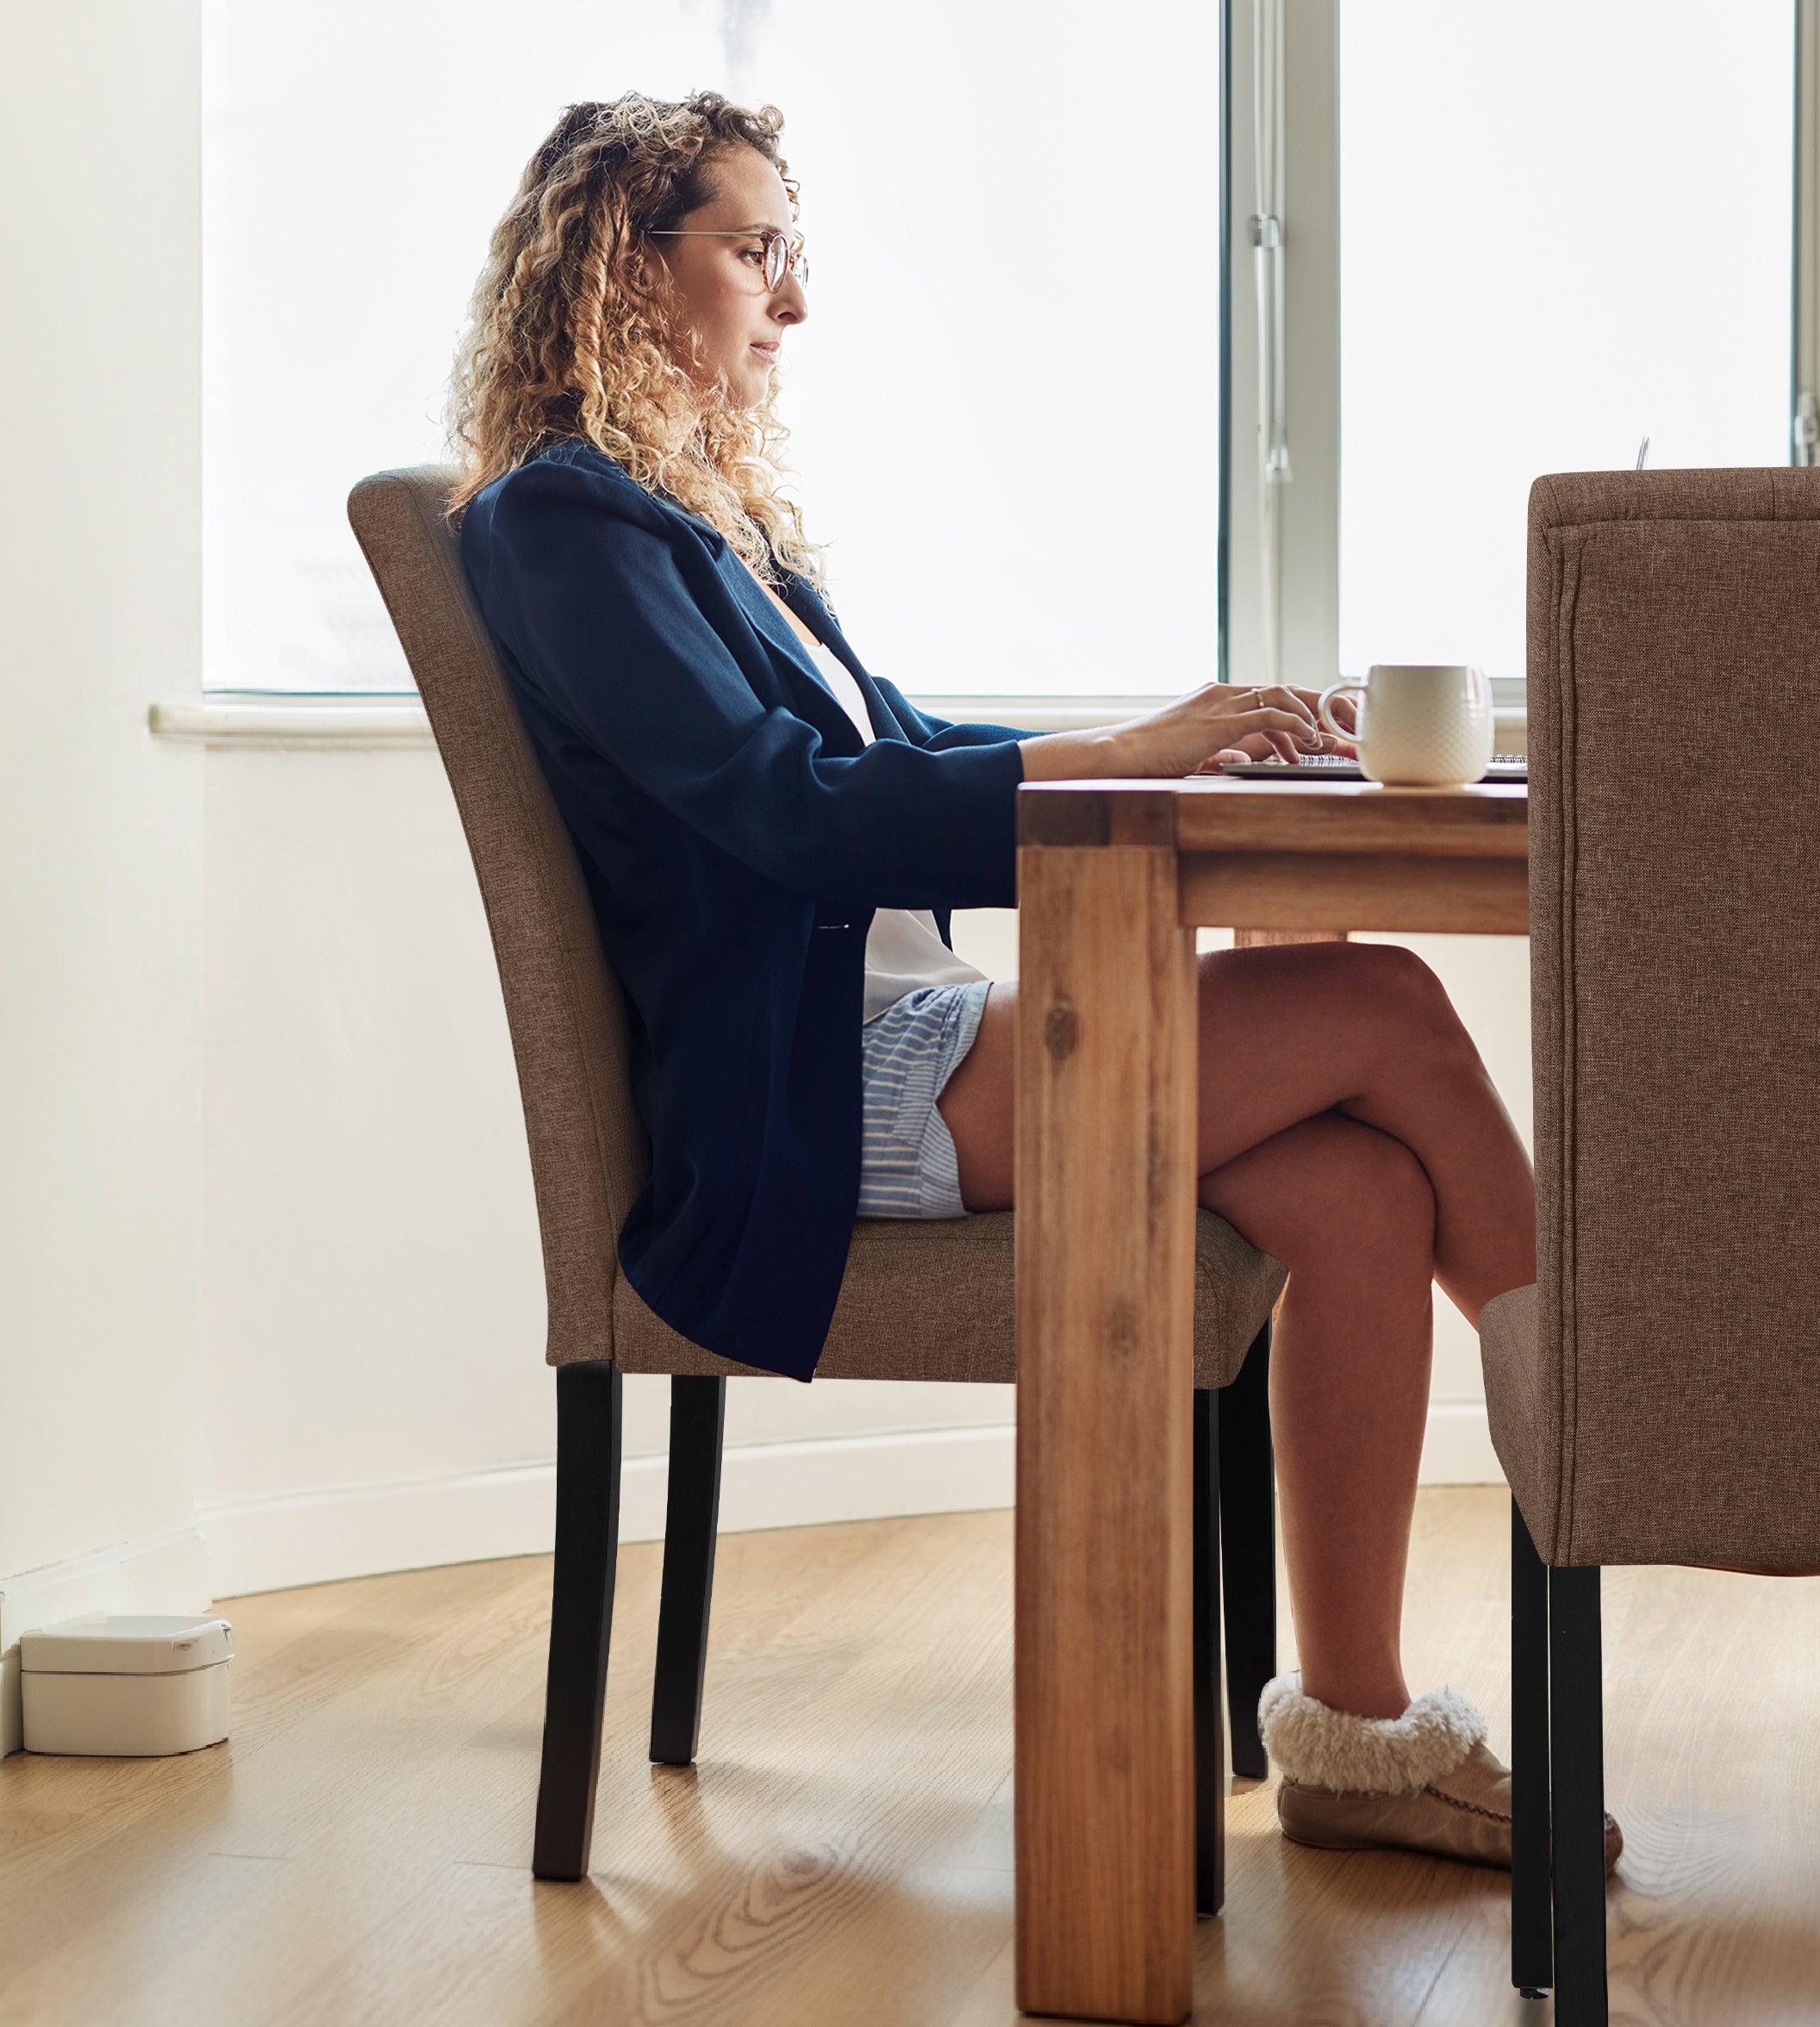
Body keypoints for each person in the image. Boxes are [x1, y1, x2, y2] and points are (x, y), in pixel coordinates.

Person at [449, 90, 1619, 1874]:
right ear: (623, 260)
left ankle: (1358, 1742)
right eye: (754, 249)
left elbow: (895, 745)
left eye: (790, 253)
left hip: (883, 1046)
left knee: (1367, 1192)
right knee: (1383, 1006)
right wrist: (1150, 747)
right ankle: (1619, 1421)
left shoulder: (694, 522)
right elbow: (793, 817)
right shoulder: (559, 525)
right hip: (799, 1099)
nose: (793, 300)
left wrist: (1176, 745)